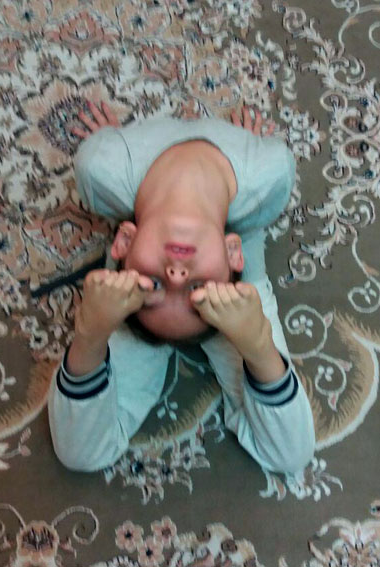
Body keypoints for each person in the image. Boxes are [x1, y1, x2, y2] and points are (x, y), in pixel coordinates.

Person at [47, 102, 316, 475]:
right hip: (239, 245)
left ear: (123, 242)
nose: (176, 275)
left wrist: (90, 334)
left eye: (154, 285)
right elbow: (292, 455)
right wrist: (257, 345)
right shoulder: (268, 175)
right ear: (233, 252)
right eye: (198, 289)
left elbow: (78, 452)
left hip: (131, 186)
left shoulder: (101, 170)